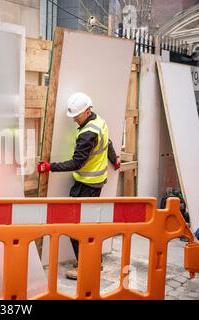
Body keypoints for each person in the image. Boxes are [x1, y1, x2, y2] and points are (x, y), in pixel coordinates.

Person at [37, 92, 121, 280]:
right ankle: (91, 261)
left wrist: (50, 167)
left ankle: (86, 266)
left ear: (87, 110)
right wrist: (114, 159)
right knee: (88, 225)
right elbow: (107, 143)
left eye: (76, 116)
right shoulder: (99, 121)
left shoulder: (87, 134)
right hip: (94, 183)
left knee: (77, 227)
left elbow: (77, 163)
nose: (74, 120)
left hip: (87, 185)